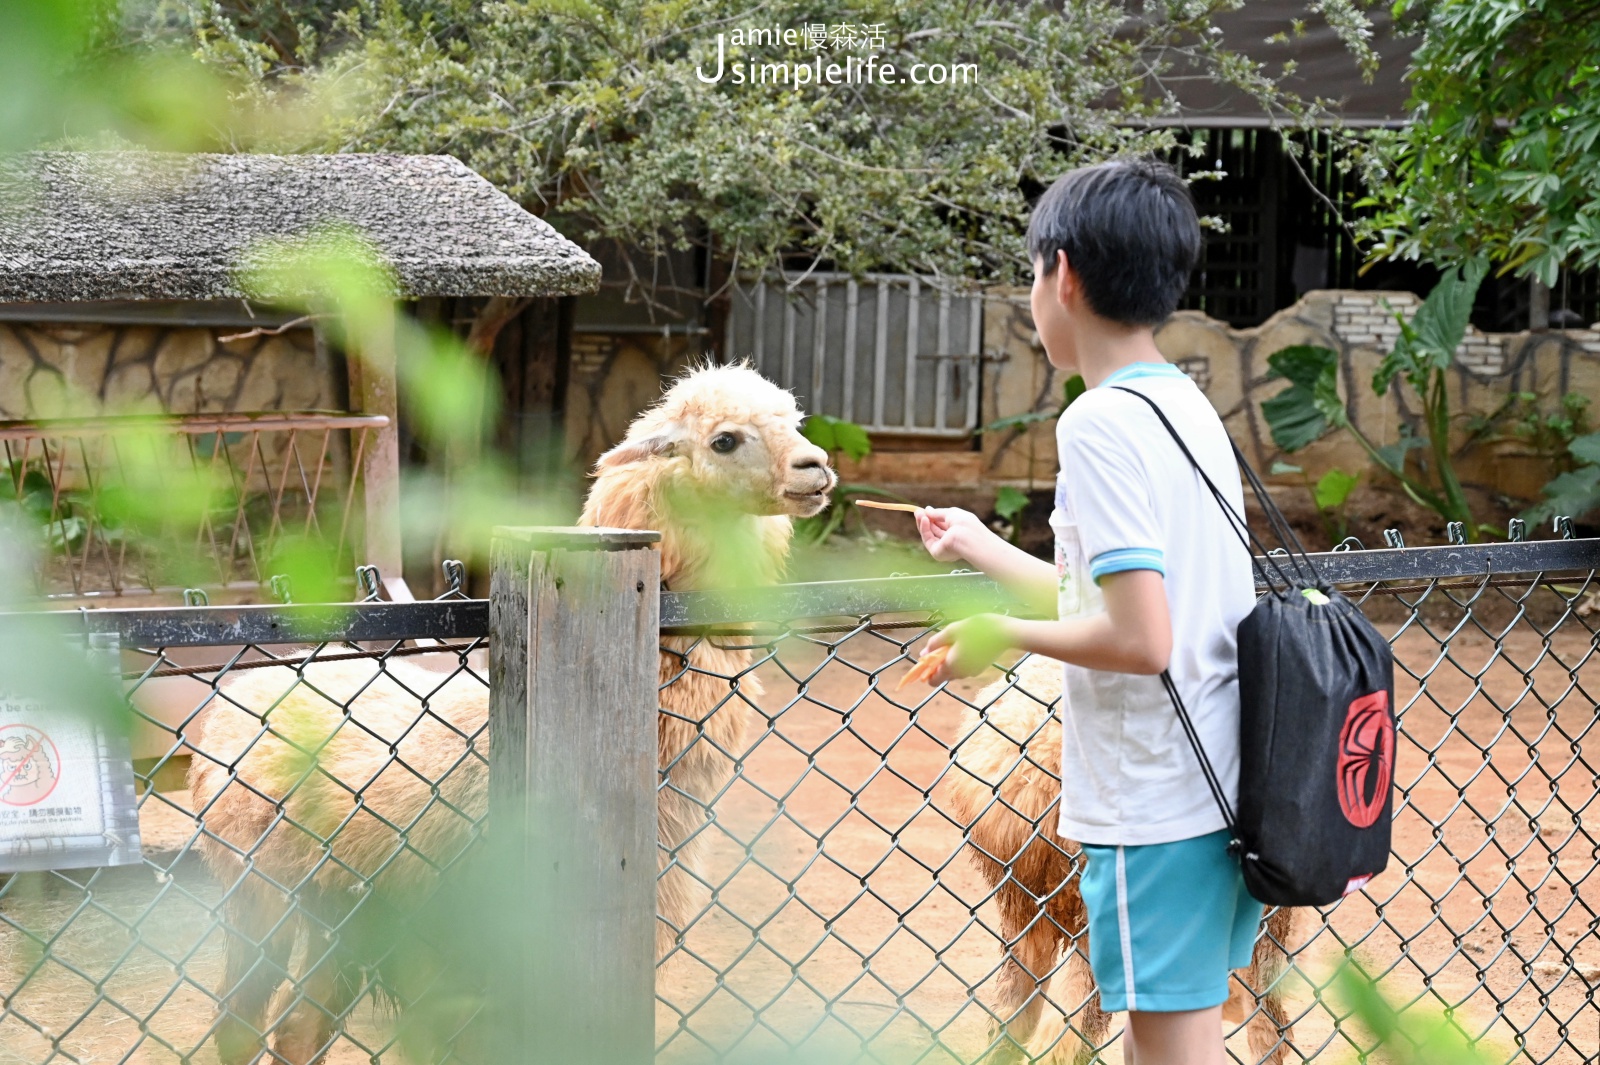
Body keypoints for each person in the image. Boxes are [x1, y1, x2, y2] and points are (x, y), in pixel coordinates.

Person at [913, 158, 1258, 1065]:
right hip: (1222, 785)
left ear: (1061, 274)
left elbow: (1142, 639)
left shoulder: (1096, 423)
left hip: (1156, 800)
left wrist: (1001, 634)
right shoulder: (1183, 405)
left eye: (1031, 273)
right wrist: (981, 548)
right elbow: (1120, 600)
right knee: (1168, 1043)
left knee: (1174, 1050)